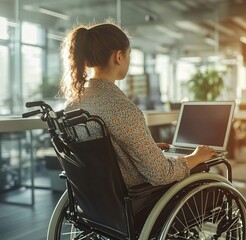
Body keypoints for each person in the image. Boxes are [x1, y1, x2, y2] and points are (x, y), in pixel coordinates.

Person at [60, 21, 218, 188]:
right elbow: (161, 174)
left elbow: (102, 156)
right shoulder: (121, 108)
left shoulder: (72, 104)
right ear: (119, 56)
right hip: (137, 200)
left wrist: (145, 149)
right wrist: (197, 156)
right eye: (129, 54)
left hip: (95, 199)